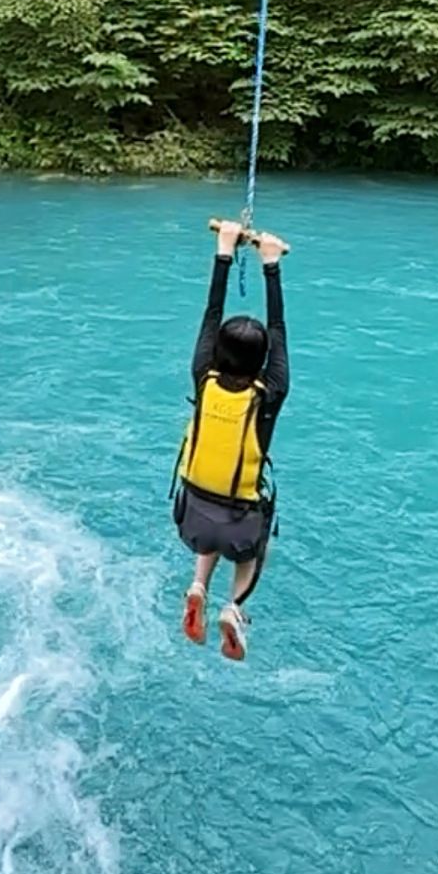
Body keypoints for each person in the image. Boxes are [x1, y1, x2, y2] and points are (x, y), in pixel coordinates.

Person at [172, 218, 289, 662]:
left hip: (192, 515)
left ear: (217, 352)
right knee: (253, 544)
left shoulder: (204, 378)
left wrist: (224, 250)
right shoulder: (270, 393)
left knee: (213, 516)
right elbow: (278, 330)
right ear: (261, 362)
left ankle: (198, 583)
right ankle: (234, 606)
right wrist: (271, 263)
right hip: (240, 523)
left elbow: (211, 313)